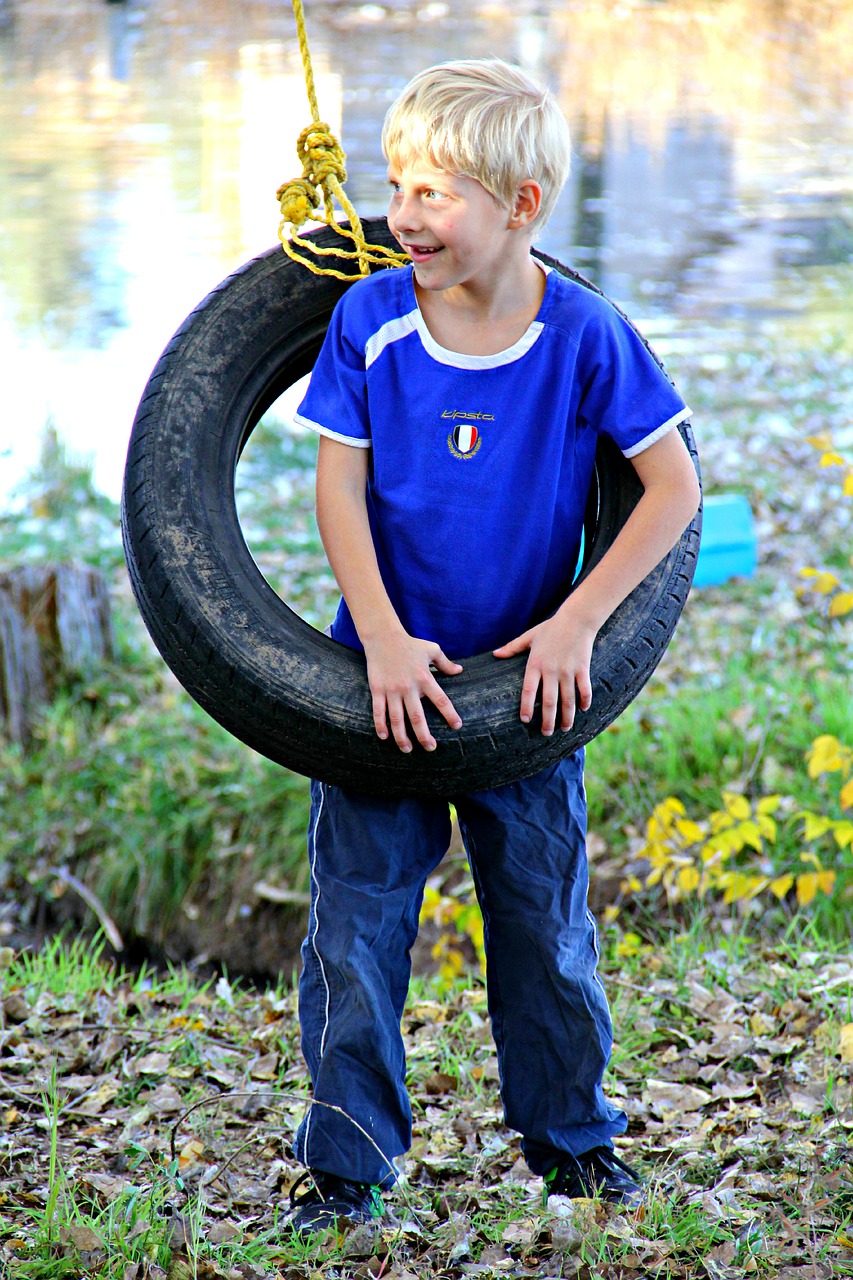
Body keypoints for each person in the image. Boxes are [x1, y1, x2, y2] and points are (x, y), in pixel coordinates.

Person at [286, 58, 701, 1234]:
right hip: (378, 684)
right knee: (356, 931)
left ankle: (572, 1142)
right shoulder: (368, 318)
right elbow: (337, 487)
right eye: (397, 185)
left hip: (527, 697)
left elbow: (669, 488)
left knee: (545, 927)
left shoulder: (583, 334)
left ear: (521, 205)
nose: (404, 214)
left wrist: (578, 621)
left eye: (435, 191)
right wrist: (375, 637)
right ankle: (349, 1167)